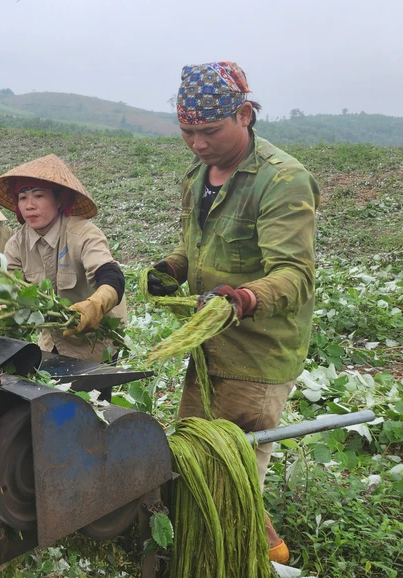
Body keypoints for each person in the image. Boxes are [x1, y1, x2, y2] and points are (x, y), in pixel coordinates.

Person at [146, 62, 319, 564]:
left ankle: (256, 556)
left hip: (255, 356)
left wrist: (241, 299)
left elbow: (295, 275)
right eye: (187, 132)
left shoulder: (283, 180)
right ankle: (245, 547)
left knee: (227, 475)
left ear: (244, 114)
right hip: (208, 347)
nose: (198, 143)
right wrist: (171, 268)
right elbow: (196, 246)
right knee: (198, 462)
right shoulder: (199, 175)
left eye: (209, 131)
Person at [0, 154, 126, 363]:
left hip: (95, 345)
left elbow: (111, 275)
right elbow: (11, 290)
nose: (29, 205)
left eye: (38, 195)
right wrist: (5, 310)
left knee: (93, 394)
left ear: (60, 199)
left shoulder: (83, 234)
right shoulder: (16, 245)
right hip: (52, 341)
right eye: (22, 197)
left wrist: (95, 306)